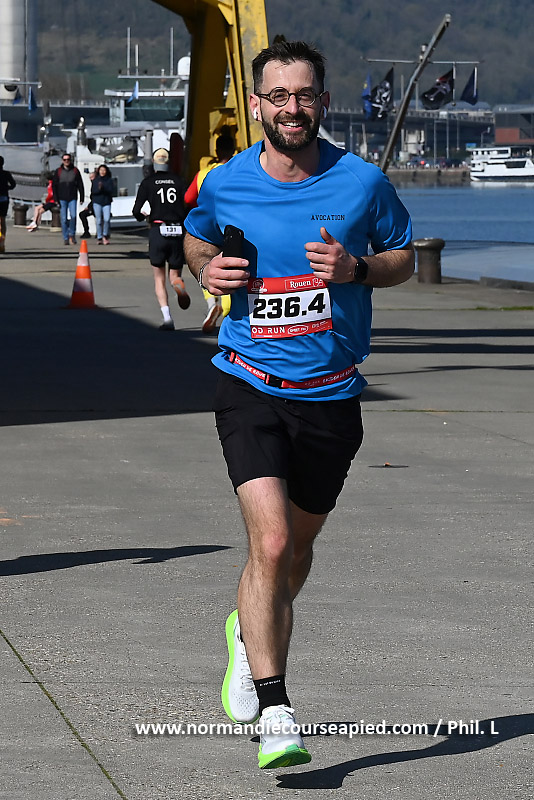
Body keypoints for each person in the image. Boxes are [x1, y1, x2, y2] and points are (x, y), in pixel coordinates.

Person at [184, 40, 414, 770]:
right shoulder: (225, 182)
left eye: (304, 95)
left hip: (333, 395)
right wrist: (208, 270)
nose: (292, 108)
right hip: (249, 382)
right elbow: (196, 241)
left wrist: (358, 268)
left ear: (323, 100)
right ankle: (276, 708)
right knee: (273, 543)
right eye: (278, 96)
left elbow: (403, 256)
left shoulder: (362, 182)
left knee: (295, 552)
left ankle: (244, 629)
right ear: (257, 104)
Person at [132, 147, 189, 330]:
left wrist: (142, 216)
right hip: (177, 229)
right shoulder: (179, 181)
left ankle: (167, 318)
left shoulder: (148, 182)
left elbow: (136, 210)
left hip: (158, 229)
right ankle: (178, 283)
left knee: (158, 278)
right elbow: (188, 202)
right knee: (174, 274)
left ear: (154, 163)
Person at [185, 132, 235, 334]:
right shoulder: (243, 169)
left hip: (211, 226)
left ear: (216, 150)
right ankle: (227, 310)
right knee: (232, 268)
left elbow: (188, 199)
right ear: (233, 149)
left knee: (206, 265)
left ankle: (211, 302)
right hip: (235, 227)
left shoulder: (205, 173)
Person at [52, 153, 84, 245]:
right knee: (64, 219)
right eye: (65, 160)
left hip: (72, 197)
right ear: (62, 161)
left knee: (73, 216)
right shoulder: (58, 171)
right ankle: (65, 237)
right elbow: (54, 186)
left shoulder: (75, 171)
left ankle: (72, 234)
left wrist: (82, 197)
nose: (66, 161)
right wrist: (56, 199)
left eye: (68, 159)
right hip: (62, 198)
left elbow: (80, 184)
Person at [91, 164, 113, 244]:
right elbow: (93, 191)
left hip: (106, 202)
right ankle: (99, 237)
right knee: (99, 220)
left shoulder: (109, 180)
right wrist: (99, 189)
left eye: (104, 170)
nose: (102, 172)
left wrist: (103, 188)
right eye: (101, 170)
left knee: (107, 219)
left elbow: (111, 190)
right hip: (97, 202)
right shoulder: (96, 180)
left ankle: (105, 235)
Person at [0, 156, 16, 252]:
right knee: (2, 221)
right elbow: (13, 184)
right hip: (4, 198)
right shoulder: (6, 174)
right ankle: (2, 244)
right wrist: (6, 188)